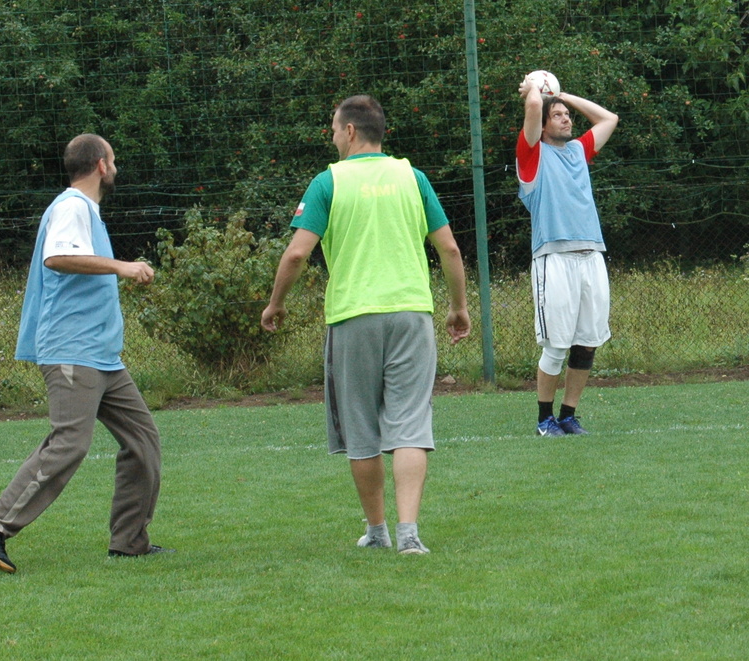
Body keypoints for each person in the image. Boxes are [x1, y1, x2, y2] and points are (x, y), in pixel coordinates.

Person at [261, 95, 470, 554]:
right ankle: (409, 535)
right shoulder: (413, 177)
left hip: (353, 317)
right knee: (410, 426)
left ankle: (377, 532)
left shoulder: (328, 182)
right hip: (412, 314)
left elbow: (296, 254)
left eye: (335, 129)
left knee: (361, 430)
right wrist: (458, 307)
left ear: (351, 131)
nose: (333, 136)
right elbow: (450, 249)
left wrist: (276, 303)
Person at [0, 134, 172, 573]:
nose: (116, 167)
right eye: (113, 160)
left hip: (102, 355)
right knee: (70, 443)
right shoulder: (73, 206)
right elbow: (57, 257)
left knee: (143, 441)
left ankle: (129, 541)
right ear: (100, 165)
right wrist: (122, 266)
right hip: (72, 350)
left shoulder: (86, 211)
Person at [516, 76, 619, 437]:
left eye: (566, 115)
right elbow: (533, 106)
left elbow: (609, 119)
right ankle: (545, 420)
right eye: (557, 115)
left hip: (592, 255)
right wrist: (535, 88)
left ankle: (568, 416)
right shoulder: (532, 155)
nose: (565, 119)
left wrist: (562, 96)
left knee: (587, 343)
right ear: (542, 126)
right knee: (557, 345)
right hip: (554, 258)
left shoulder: (578, 151)